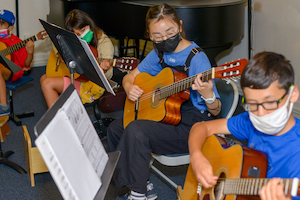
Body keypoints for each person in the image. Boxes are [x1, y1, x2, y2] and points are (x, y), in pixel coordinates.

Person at [107, 3, 221, 200]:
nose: (165, 39)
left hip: (192, 125)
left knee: (136, 131)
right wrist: (128, 87)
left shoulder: (197, 59)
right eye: (157, 36)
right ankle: (140, 183)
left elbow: (217, 111)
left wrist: (209, 94)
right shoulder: (158, 52)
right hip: (167, 113)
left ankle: (138, 194)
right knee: (115, 128)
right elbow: (130, 76)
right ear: (150, 36)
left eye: (170, 32)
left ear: (180, 26)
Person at [189, 51, 300, 200]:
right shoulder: (250, 122)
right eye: (252, 104)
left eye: (269, 102)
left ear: (292, 94)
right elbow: (201, 127)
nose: (260, 113)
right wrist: (196, 156)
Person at [40, 9, 114, 108]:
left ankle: (60, 119)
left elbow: (109, 77)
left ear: (90, 25)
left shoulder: (104, 43)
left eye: (83, 30)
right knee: (44, 78)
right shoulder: (73, 38)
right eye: (77, 34)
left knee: (46, 83)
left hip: (91, 85)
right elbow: (56, 40)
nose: (81, 36)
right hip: (76, 76)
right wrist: (61, 53)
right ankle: (63, 111)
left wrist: (103, 69)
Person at [0, 9, 34, 115]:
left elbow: (26, 64)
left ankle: (4, 107)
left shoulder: (17, 42)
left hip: (14, 71)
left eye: (2, 24)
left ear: (10, 28)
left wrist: (31, 53)